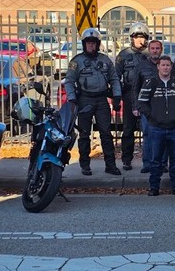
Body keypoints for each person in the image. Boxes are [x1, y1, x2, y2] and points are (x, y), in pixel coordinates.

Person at [63, 27, 122, 176]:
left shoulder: (105, 60)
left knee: (106, 134)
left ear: (98, 44)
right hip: (85, 99)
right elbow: (69, 81)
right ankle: (85, 165)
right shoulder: (77, 61)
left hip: (102, 100)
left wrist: (117, 96)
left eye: (93, 43)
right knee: (84, 134)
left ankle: (110, 165)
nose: (91, 45)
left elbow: (114, 79)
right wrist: (72, 98)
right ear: (84, 44)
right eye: (88, 43)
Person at [135, 55, 175, 196]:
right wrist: (152, 117)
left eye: (168, 65)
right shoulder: (150, 82)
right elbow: (141, 103)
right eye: (163, 65)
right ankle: (154, 187)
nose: (165, 68)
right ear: (158, 67)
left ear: (171, 67)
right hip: (156, 128)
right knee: (155, 160)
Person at [114, 22, 150, 170]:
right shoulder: (123, 55)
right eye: (137, 37)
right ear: (131, 38)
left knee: (149, 128)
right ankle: (126, 160)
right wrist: (117, 96)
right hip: (129, 94)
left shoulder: (150, 54)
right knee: (128, 128)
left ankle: (150, 160)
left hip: (147, 94)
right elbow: (116, 77)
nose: (140, 40)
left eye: (142, 37)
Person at [132, 39, 163, 173]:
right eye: (153, 48)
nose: (155, 51)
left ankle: (162, 164)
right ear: (149, 50)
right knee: (147, 135)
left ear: (161, 50)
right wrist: (135, 106)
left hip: (163, 106)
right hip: (146, 107)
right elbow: (135, 87)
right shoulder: (141, 66)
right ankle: (147, 164)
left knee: (163, 136)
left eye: (157, 48)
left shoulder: (166, 64)